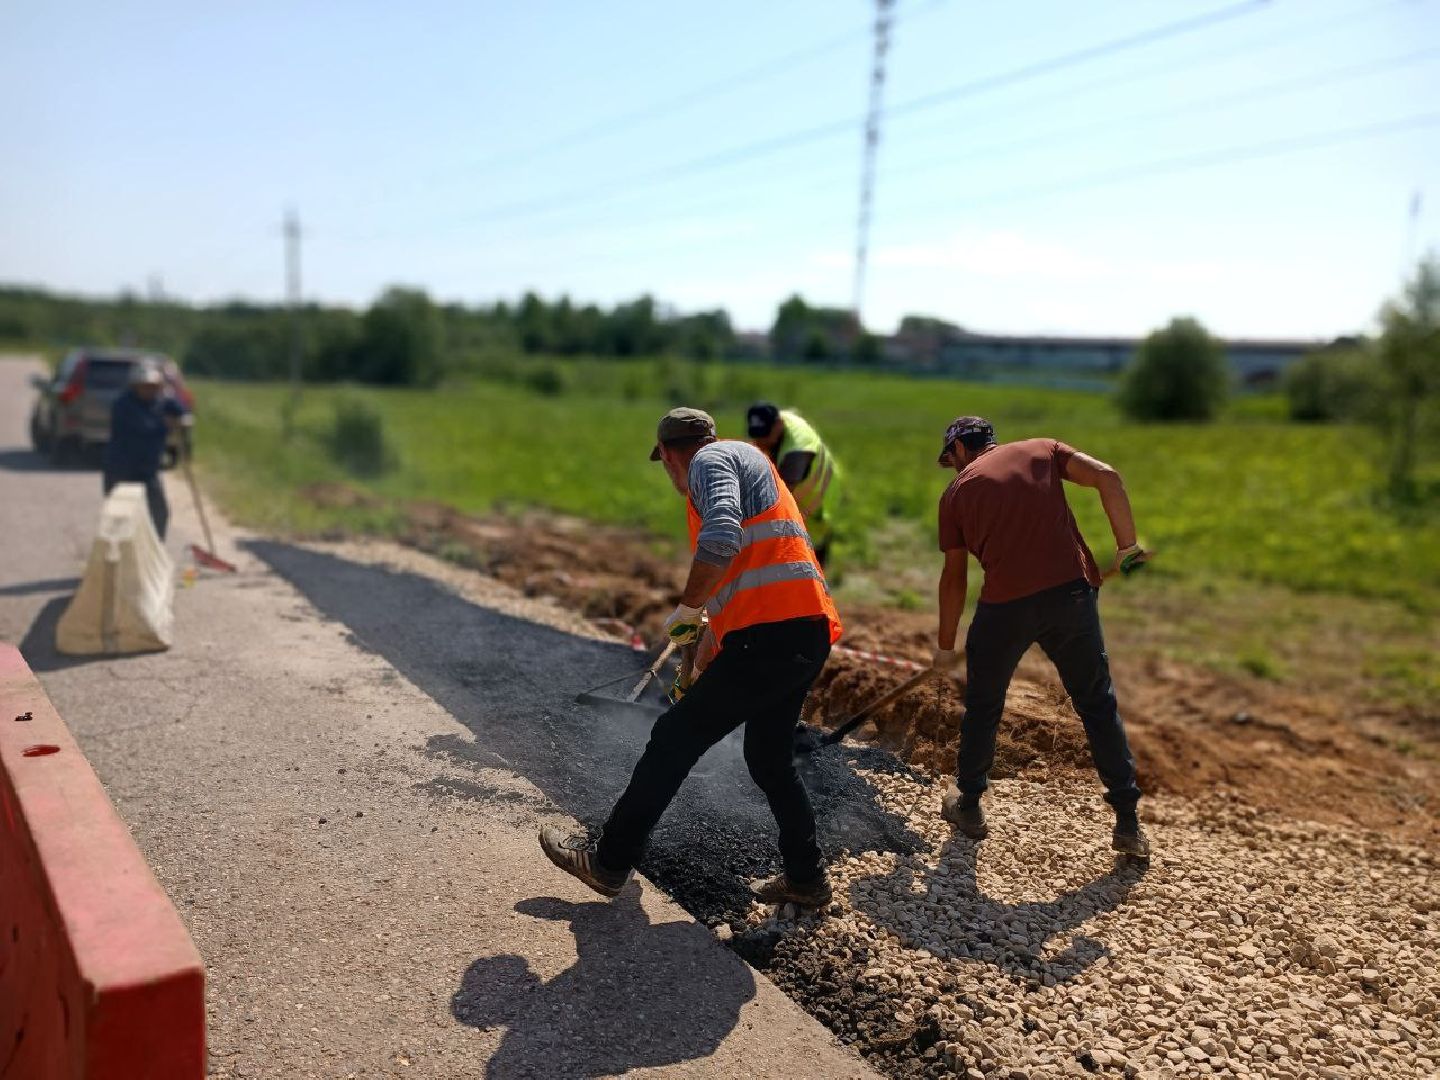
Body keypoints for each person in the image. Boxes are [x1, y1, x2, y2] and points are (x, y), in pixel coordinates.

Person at [541, 407, 843, 906]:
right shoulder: (753, 465)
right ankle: (807, 879)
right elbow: (750, 573)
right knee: (769, 759)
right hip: (803, 633)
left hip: (767, 637)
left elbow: (722, 537)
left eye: (664, 462)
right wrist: (705, 650)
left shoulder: (710, 461)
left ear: (669, 454)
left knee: (672, 739)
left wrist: (687, 608)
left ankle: (608, 863)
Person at [930, 416, 1151, 857]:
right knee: (1096, 703)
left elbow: (954, 578)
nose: (954, 468)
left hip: (1005, 608)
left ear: (959, 449)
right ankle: (1128, 822)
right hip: (1071, 597)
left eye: (951, 459)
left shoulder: (954, 495)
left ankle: (968, 805)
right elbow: (1107, 477)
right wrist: (1127, 547)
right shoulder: (1042, 449)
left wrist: (946, 647)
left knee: (984, 705)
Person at [746, 402, 841, 568]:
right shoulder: (779, 421)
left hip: (818, 503)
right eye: (757, 435)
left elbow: (776, 498)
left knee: (810, 557)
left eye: (765, 434)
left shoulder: (797, 452)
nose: (760, 441)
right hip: (800, 497)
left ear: (778, 424)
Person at [102, 361, 189, 540]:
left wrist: (173, 396)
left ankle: (156, 548)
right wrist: (166, 426)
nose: (150, 390)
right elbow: (144, 428)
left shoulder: (160, 401)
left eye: (154, 386)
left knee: (159, 512)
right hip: (121, 470)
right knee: (120, 516)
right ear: (135, 386)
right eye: (145, 386)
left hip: (147, 471)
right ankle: (116, 551)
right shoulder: (123, 405)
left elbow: (182, 411)